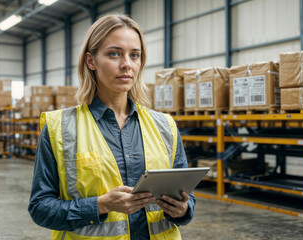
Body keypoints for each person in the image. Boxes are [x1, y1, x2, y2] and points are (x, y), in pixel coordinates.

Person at [28, 14, 195, 240]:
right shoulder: (60, 129)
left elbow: (186, 196)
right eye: (114, 54)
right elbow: (40, 208)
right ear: (91, 61)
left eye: (134, 55)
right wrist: (100, 205)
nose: (126, 64)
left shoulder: (164, 126)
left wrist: (183, 209)